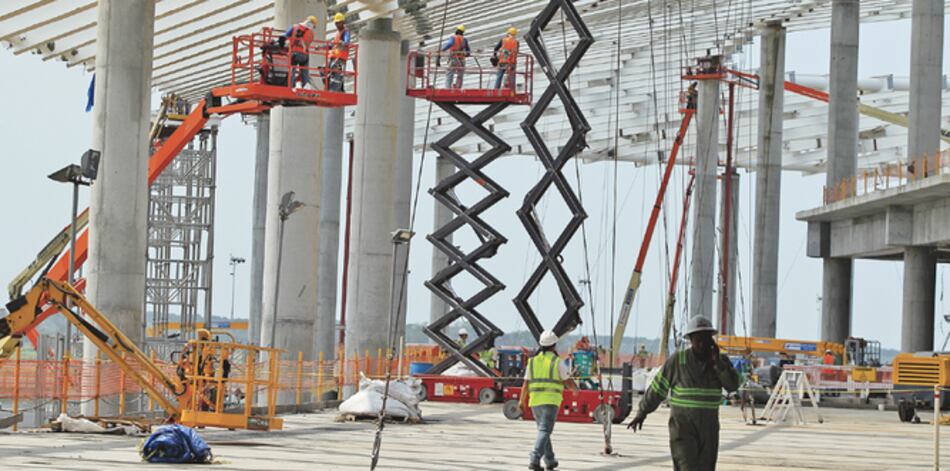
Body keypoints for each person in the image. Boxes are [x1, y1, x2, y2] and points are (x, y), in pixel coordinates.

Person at [627, 315, 740, 471]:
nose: (702, 343)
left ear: (711, 340)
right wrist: (642, 412)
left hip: (709, 427)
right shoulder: (677, 361)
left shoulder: (720, 362)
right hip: (683, 426)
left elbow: (732, 385)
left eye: (706, 339)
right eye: (698, 339)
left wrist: (718, 364)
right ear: (691, 340)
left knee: (706, 467)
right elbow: (658, 389)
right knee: (686, 466)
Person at [519, 330, 575, 471]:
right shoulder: (557, 362)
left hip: (535, 401)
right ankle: (535, 458)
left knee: (543, 431)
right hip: (551, 401)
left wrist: (521, 401)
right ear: (554, 345)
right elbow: (567, 380)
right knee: (545, 430)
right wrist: (575, 389)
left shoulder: (532, 362)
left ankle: (549, 460)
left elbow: (525, 384)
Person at [281, 16, 318, 89]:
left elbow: (284, 36)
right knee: (305, 71)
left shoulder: (294, 27)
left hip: (294, 53)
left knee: (292, 69)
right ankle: (306, 85)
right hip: (304, 56)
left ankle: (291, 85)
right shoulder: (311, 33)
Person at [327, 12, 351, 91]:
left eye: (338, 23)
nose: (337, 25)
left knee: (336, 72)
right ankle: (337, 89)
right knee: (325, 70)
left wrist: (343, 42)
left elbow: (347, 42)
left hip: (340, 57)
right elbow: (333, 45)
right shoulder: (337, 33)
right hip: (334, 56)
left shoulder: (345, 32)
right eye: (336, 23)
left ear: (343, 22)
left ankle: (334, 90)